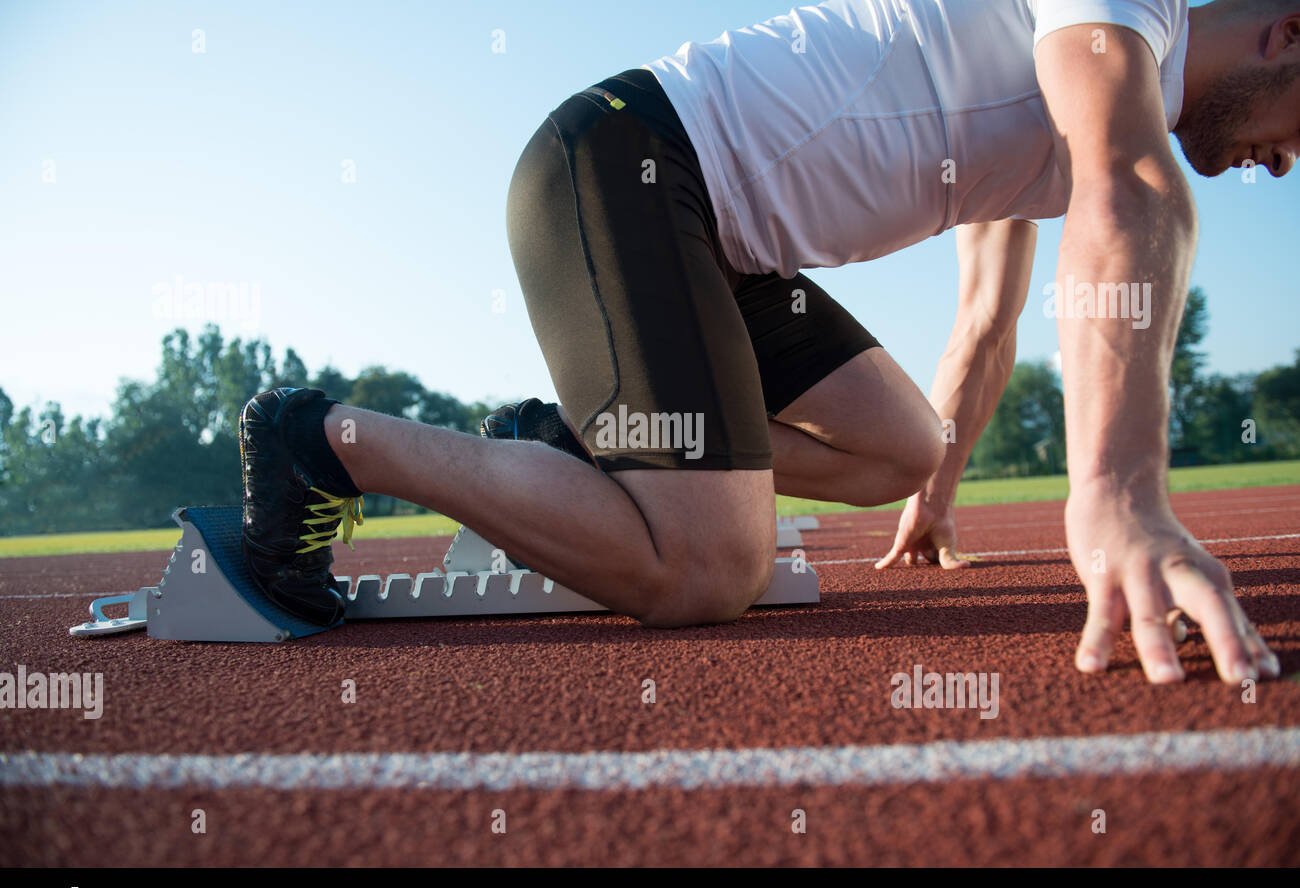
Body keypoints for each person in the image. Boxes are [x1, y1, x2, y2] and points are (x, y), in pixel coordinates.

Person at [239, 0, 1296, 685]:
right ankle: (322, 441)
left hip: (725, 251)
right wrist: (1116, 493)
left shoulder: (1075, 111)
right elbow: (1133, 190)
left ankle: (579, 442)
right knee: (708, 571)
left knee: (900, 448)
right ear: (1288, 31)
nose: (1287, 166)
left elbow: (986, 318)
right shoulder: (1115, 27)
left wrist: (936, 502)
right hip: (628, 161)